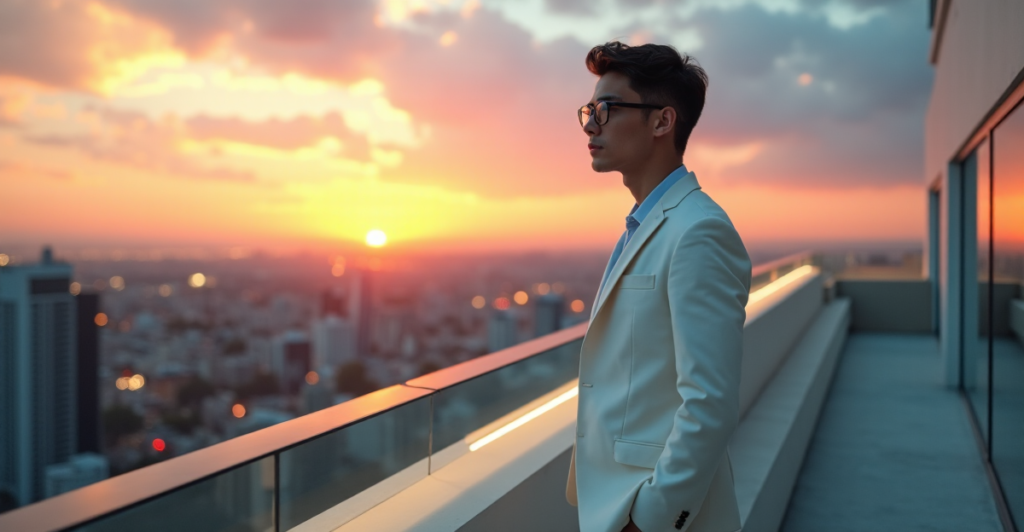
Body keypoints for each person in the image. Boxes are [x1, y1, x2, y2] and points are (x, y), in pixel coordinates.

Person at [566, 41, 751, 532]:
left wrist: (652, 518)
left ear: (662, 122)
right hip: (615, 498)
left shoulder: (699, 231)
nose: (590, 125)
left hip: (651, 511)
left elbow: (710, 402)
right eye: (589, 110)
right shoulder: (647, 224)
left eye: (607, 109)